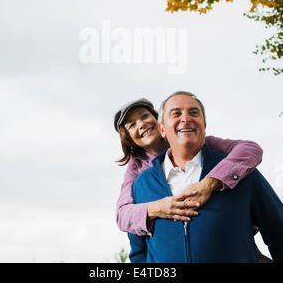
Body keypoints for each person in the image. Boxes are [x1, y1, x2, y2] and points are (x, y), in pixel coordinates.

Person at [127, 91, 283, 263]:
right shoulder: (141, 185)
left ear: (204, 125)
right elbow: (139, 252)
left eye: (194, 113)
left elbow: (278, 230)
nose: (185, 119)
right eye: (176, 113)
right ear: (162, 129)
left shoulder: (242, 173)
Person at [114, 97, 263, 237]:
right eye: (132, 125)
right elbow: (122, 215)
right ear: (128, 138)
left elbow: (250, 149)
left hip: (233, 241)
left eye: (144, 116)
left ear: (160, 122)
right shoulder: (136, 171)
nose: (141, 124)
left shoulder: (203, 144)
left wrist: (209, 183)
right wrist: (159, 207)